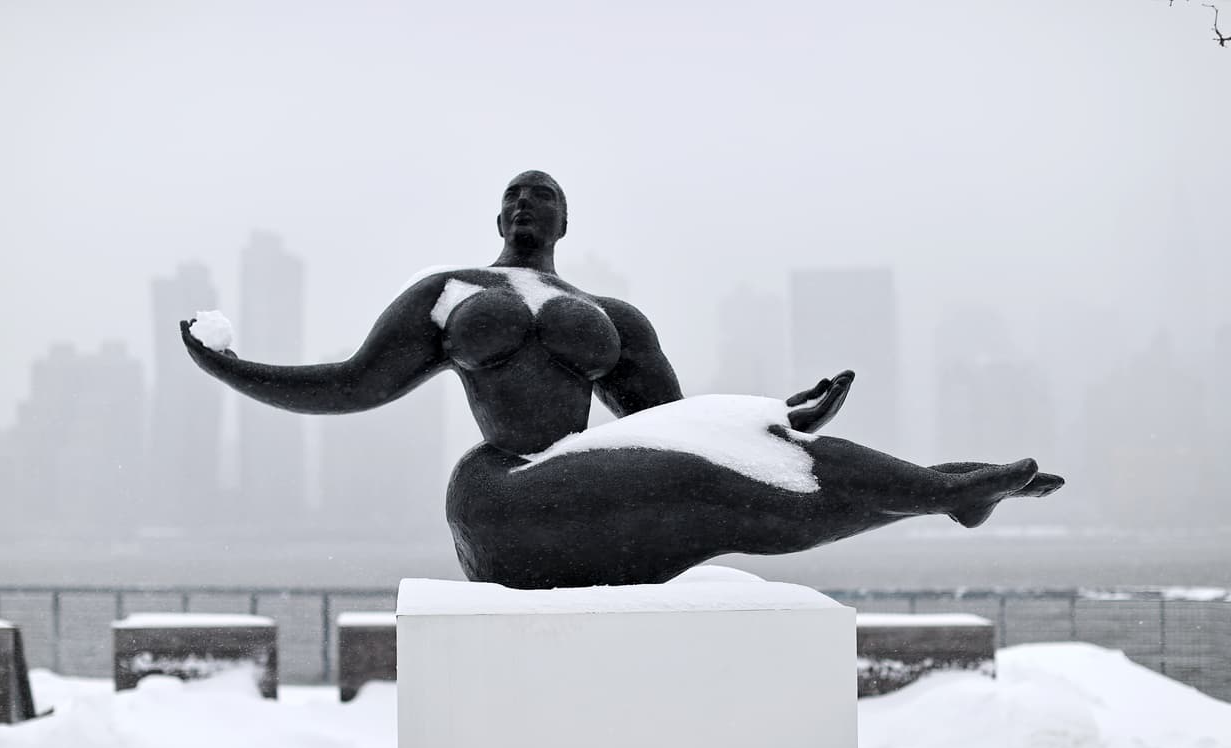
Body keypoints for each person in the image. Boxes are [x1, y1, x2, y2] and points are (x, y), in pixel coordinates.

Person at [181, 170, 1063, 589]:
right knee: (725, 468)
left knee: (763, 454)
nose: (527, 205)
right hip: (499, 503)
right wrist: (229, 367)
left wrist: (770, 415)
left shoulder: (612, 318)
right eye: (514, 197)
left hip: (594, 487)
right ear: (496, 217)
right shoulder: (451, 295)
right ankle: (938, 492)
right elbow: (350, 385)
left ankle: (947, 490)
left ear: (567, 219)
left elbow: (681, 427)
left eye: (544, 197)